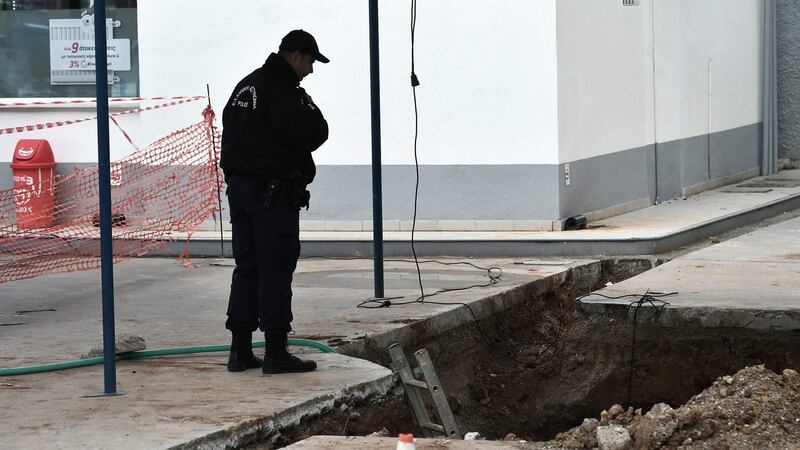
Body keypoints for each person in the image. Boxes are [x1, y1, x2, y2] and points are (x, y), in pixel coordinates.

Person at [219, 30, 329, 374]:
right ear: (295, 56)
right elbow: (316, 134)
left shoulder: (246, 86)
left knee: (247, 267)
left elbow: (230, 134)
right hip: (272, 194)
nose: (310, 70)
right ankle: (276, 352)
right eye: (310, 61)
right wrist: (309, 103)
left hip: (240, 190)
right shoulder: (285, 93)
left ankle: (239, 350)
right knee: (276, 268)